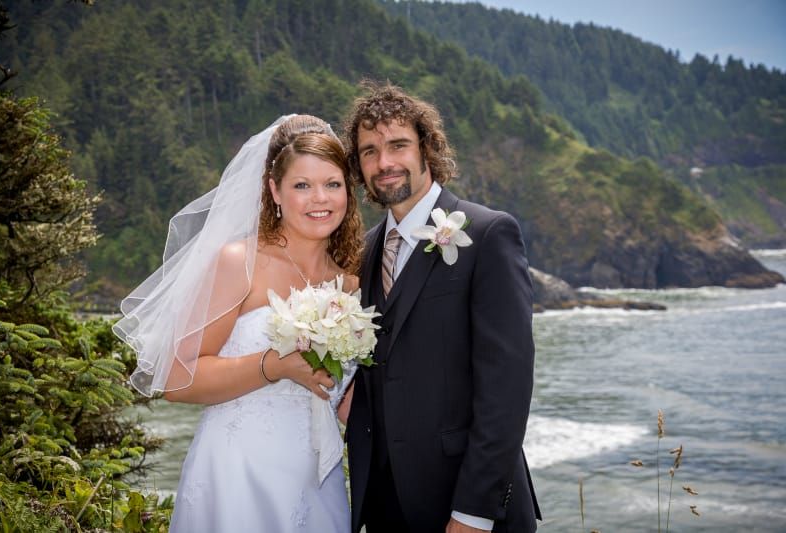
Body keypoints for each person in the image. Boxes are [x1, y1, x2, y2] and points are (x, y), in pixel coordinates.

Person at [113, 115, 363, 532]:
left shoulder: (351, 284)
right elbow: (176, 379)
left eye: (332, 184)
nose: (320, 198)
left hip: (318, 480)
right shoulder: (240, 264)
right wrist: (274, 365)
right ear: (274, 190)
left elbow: (343, 397)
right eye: (302, 185)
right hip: (238, 473)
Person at [343, 83, 542, 532]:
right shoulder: (366, 251)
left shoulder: (488, 234)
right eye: (369, 151)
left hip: (468, 509)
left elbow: (506, 389)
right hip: (386, 508)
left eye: (398, 145)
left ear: (426, 150)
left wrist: (472, 513)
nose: (385, 163)